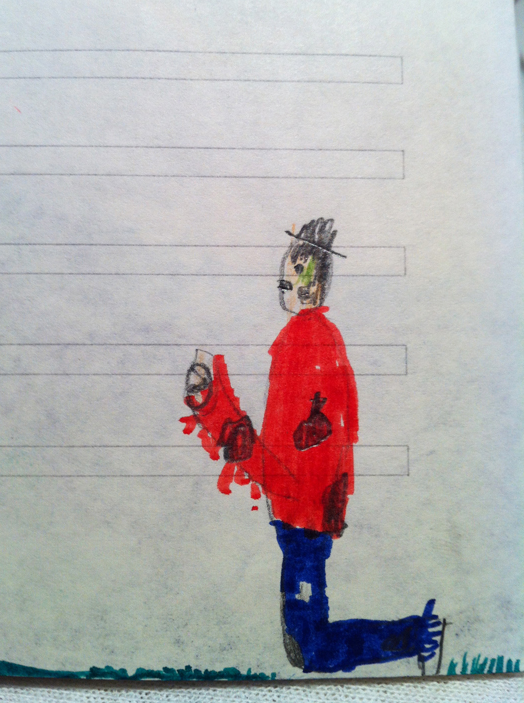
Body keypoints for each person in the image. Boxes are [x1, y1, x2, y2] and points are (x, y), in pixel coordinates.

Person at [181, 218, 441, 674]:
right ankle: (415, 635)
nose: (285, 293)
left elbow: (279, 457)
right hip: (309, 515)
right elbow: (327, 437)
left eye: (292, 284)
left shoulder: (302, 343)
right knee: (304, 639)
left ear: (314, 287)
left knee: (309, 647)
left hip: (301, 517)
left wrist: (212, 405)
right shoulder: (322, 340)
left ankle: (418, 636)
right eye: (283, 283)